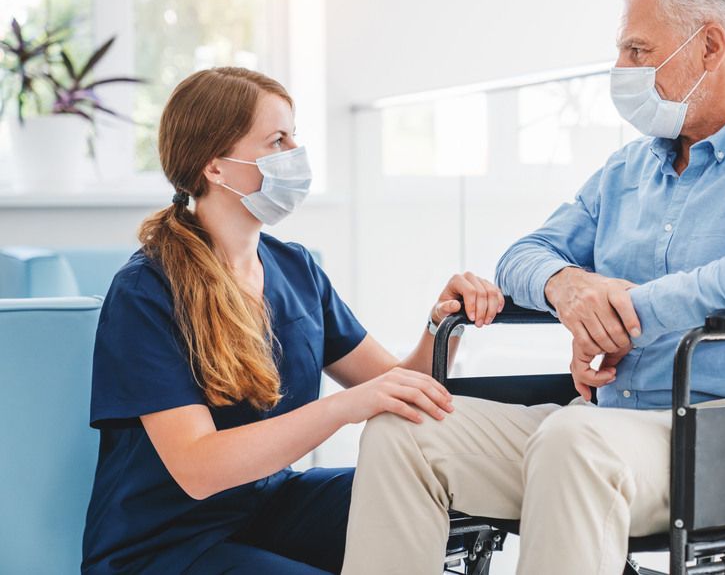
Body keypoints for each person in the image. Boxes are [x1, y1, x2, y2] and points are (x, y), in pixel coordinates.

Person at [340, 0, 725, 574]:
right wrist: (568, 287)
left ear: (709, 45)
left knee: (574, 439)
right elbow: (523, 257)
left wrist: (631, 310)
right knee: (404, 433)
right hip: (607, 425)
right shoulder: (628, 170)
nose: (620, 69)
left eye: (638, 51)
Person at [81, 67, 504, 574]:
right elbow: (198, 468)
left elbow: (397, 386)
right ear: (215, 167)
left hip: (266, 507)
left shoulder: (296, 269)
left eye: (294, 136)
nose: (295, 154)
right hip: (166, 545)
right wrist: (345, 408)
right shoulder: (147, 291)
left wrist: (442, 325)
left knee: (419, 491)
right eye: (278, 140)